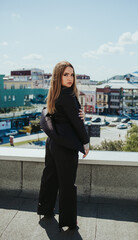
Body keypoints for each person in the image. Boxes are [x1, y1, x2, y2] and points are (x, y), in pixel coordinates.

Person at [37, 61, 89, 231]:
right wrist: (86, 142)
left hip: (52, 143)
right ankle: (68, 221)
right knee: (67, 184)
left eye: (72, 74)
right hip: (65, 147)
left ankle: (45, 209)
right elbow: (76, 123)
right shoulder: (68, 95)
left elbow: (52, 115)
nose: (69, 78)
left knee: (50, 177)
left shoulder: (54, 94)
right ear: (58, 76)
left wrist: (79, 114)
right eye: (65, 74)